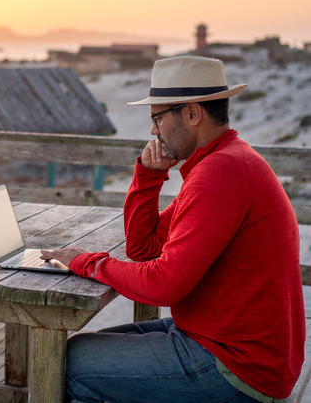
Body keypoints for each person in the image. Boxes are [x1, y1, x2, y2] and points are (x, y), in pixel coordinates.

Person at [40, 55, 304, 402]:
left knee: (67, 362)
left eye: (158, 117)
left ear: (192, 114)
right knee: (78, 349)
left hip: (236, 368)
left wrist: (86, 262)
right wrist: (149, 176)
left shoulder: (220, 174)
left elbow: (165, 285)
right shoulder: (223, 161)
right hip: (225, 344)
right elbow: (143, 246)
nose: (153, 130)